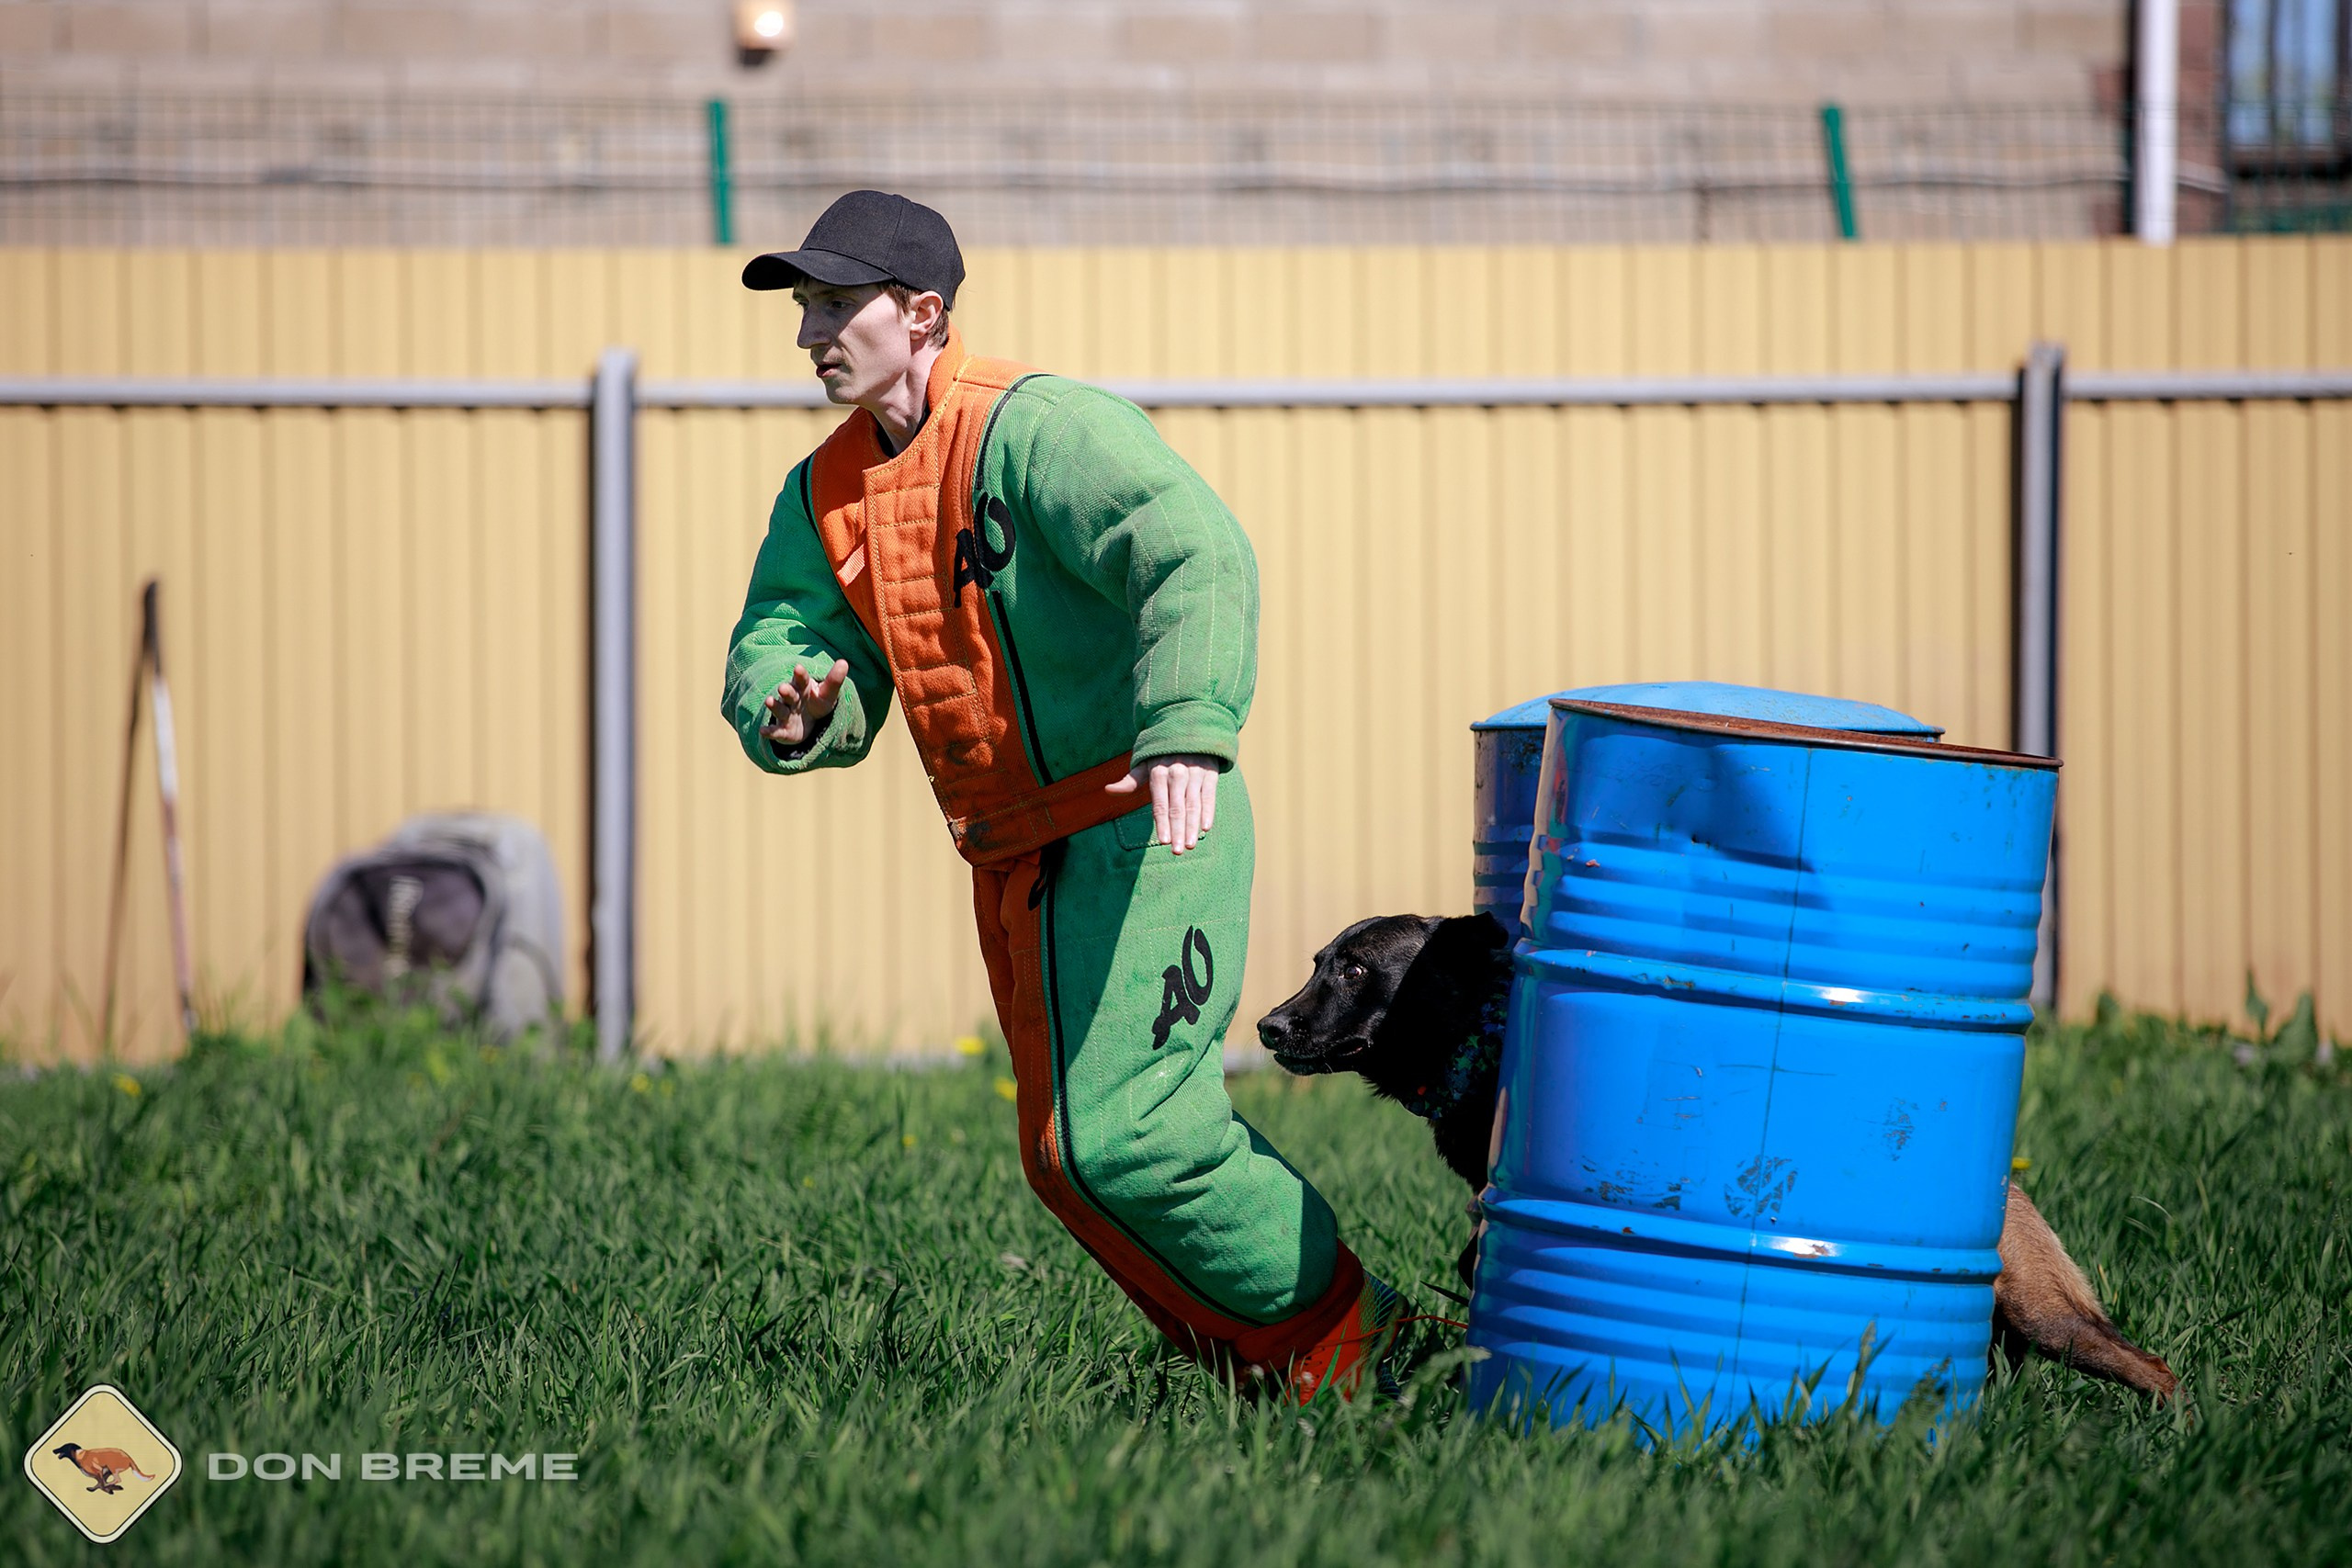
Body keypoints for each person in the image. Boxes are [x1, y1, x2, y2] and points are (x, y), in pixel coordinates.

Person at [721, 190, 1407, 1400]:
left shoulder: (1035, 429)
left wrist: (1190, 722)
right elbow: (791, 634)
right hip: (1018, 857)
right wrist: (796, 704)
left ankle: (1382, 1356)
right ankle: (1257, 1373)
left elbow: (1190, 547)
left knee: (1135, 1140)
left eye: (836, 302)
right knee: (1066, 1159)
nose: (808, 330)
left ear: (924, 313)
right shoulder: (823, 492)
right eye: (803, 304)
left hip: (1150, 816)